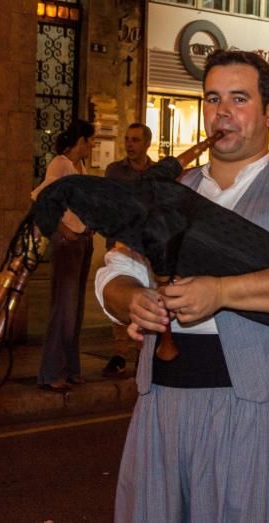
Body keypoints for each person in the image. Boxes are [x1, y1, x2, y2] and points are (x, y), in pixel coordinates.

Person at [95, 50, 269, 521]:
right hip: (163, 408)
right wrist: (132, 299)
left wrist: (220, 293)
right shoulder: (172, 195)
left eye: (239, 99)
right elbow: (115, 269)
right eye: (213, 98)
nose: (223, 112)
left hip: (256, 412)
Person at [32, 119, 96, 392]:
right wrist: (63, 230)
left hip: (83, 241)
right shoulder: (60, 164)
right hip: (68, 243)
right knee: (64, 308)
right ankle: (51, 371)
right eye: (90, 140)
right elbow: (41, 198)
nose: (92, 145)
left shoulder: (81, 167)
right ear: (80, 141)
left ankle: (70, 369)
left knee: (76, 309)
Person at [101, 123, 155, 377]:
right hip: (121, 242)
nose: (129, 144)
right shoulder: (115, 171)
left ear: (146, 143)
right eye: (127, 139)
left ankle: (142, 354)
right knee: (119, 292)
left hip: (147, 244)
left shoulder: (156, 173)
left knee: (145, 294)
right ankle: (120, 353)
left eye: (135, 140)